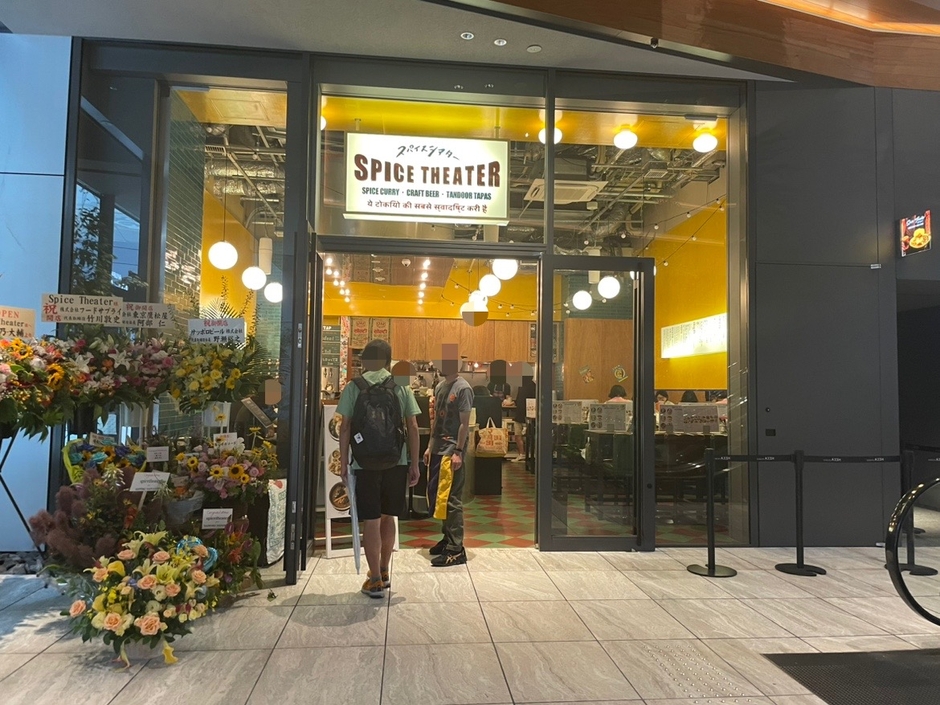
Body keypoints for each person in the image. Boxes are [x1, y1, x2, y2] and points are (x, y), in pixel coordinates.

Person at [338, 339, 420, 597]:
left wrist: (343, 462)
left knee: (371, 520)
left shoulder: (354, 386)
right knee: (388, 517)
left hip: (364, 463)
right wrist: (414, 463)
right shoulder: (401, 386)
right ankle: (384, 570)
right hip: (397, 461)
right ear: (388, 360)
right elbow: (413, 427)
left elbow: (345, 427)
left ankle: (374, 579)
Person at [423, 344, 473, 566]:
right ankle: (447, 538)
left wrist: (459, 452)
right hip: (438, 449)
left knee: (452, 499)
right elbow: (436, 420)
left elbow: (464, 424)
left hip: (452, 450)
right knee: (439, 498)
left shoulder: (463, 388)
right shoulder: (440, 387)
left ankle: (456, 548)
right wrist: (429, 446)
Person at [512, 375, 536, 458]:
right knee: (531, 437)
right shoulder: (535, 387)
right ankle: (532, 454)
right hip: (531, 415)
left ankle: (521, 454)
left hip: (519, 415)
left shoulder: (521, 387)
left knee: (518, 435)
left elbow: (518, 400)